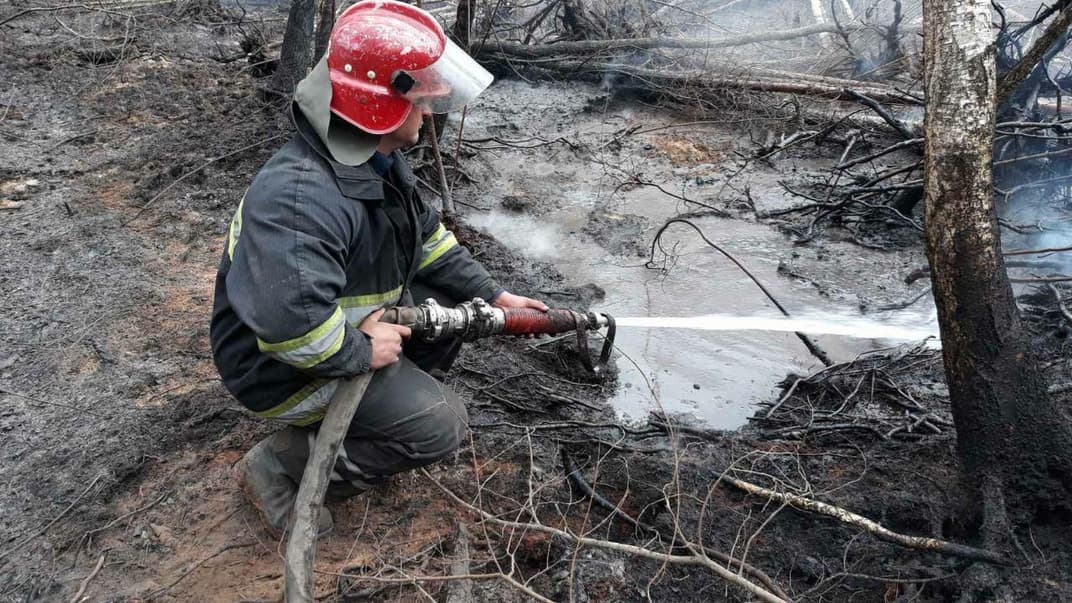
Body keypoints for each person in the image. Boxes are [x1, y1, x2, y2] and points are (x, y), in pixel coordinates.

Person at [209, 0, 546, 537]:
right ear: (378, 107)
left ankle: (377, 415)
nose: (432, 108)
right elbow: (289, 330)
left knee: (448, 302)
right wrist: (361, 351)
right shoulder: (300, 201)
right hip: (280, 369)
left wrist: (495, 296)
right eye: (421, 98)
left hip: (331, 335)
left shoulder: (373, 158)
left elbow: (428, 241)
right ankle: (280, 467)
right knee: (441, 426)